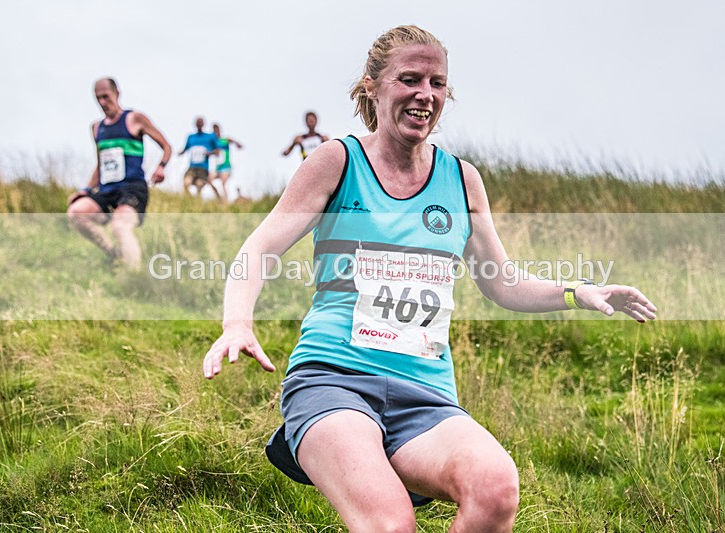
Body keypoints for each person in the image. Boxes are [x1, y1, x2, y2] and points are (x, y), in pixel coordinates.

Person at [203, 25, 657, 532]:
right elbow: (260, 247)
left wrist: (576, 291)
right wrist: (237, 322)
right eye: (410, 79)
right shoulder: (337, 161)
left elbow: (502, 282)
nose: (425, 94)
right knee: (390, 523)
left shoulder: (461, 180)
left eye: (437, 83)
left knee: (496, 489)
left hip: (424, 394)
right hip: (334, 381)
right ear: (373, 86)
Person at [67, 77, 172, 270]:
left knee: (120, 226)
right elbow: (101, 164)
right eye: (98, 98)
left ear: (117, 94)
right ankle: (112, 254)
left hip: (132, 188)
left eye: (106, 97)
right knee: (76, 213)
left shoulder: (134, 119)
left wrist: (161, 167)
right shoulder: (97, 128)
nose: (102, 103)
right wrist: (87, 189)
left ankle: (133, 275)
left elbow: (166, 146)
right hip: (107, 190)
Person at [179, 117, 220, 198]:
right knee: (186, 183)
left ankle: (197, 203)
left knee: (199, 185)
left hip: (203, 168)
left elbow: (217, 151)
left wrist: (210, 153)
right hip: (192, 167)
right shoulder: (191, 137)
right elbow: (185, 148)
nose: (199, 124)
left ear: (203, 124)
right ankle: (190, 200)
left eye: (201, 122)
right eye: (198, 122)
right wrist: (178, 153)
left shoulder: (209, 137)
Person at [211, 123, 243, 201]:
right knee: (209, 179)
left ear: (219, 131)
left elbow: (233, 141)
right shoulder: (213, 143)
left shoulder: (224, 140)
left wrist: (237, 144)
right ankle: (218, 197)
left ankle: (225, 200)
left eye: (216, 131)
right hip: (218, 168)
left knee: (223, 183)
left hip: (226, 167)